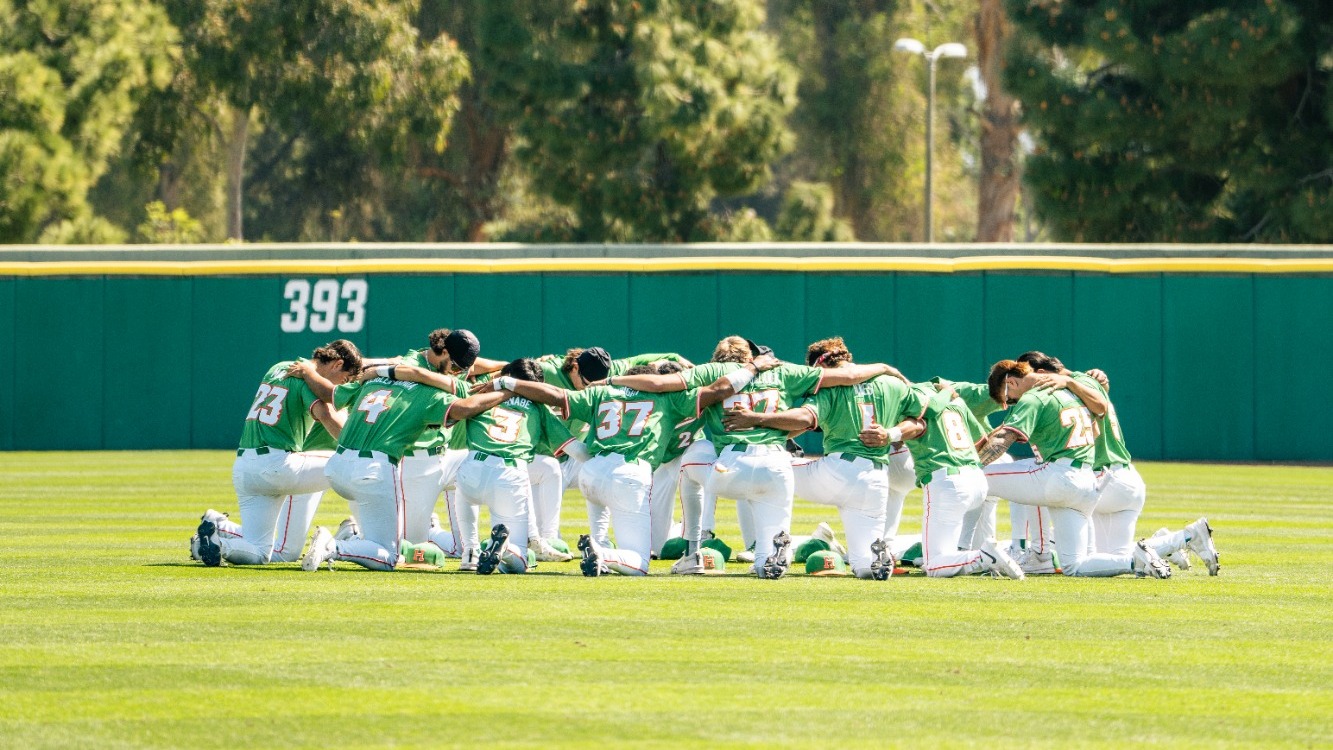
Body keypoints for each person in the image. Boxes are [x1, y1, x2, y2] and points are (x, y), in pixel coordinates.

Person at [612, 336, 898, 578]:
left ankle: (694, 548)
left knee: (692, 457)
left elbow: (660, 384)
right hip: (777, 465)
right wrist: (884, 367)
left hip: (731, 467)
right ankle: (772, 555)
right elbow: (848, 376)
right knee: (765, 555)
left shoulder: (711, 372)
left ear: (718, 358)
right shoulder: (782, 371)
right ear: (750, 356)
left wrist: (612, 379)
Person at [494, 356, 765, 576]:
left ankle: (513, 549)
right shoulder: (666, 397)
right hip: (630, 474)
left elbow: (554, 394)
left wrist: (506, 383)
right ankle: (601, 552)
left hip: (591, 471)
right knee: (638, 562)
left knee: (602, 503)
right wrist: (753, 367)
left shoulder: (601, 392)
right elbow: (720, 390)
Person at [721, 337, 921, 580]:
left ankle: (772, 547)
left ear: (820, 365)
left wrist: (757, 419)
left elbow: (804, 419)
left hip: (837, 471)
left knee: (766, 470)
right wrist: (891, 434)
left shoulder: (830, 386)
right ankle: (875, 560)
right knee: (863, 567)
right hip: (876, 477)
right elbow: (920, 421)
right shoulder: (891, 383)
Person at [1017, 351, 1218, 574]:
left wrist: (1069, 381)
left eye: (1026, 379)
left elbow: (1099, 408)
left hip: (1104, 477)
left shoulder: (1071, 386)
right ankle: (1178, 540)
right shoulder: (1083, 381)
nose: (1025, 388)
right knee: (1113, 560)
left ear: (1043, 373)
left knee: (1037, 485)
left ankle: (1038, 554)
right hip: (1124, 479)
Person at [300, 363, 514, 572]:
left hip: (337, 466)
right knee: (390, 556)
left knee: (388, 537)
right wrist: (507, 393)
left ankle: (354, 534)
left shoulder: (375, 380)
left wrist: (309, 371)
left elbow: (330, 394)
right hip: (372, 470)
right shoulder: (429, 394)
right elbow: (466, 408)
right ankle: (334, 546)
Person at [976, 360, 1171, 578]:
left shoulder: (1033, 396)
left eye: (1010, 398)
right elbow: (1099, 414)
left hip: (1061, 476)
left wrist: (973, 465)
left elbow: (1004, 437)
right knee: (1074, 566)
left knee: (979, 476)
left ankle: (972, 552)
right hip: (1088, 482)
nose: (1013, 403)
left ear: (1011, 382)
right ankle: (1136, 560)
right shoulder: (1072, 393)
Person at [193, 340, 362, 567]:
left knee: (261, 552)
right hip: (277, 464)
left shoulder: (279, 367)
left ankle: (219, 541)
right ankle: (360, 537)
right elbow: (328, 416)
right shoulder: (305, 380)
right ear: (337, 364)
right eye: (345, 379)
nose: (342, 386)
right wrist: (360, 448)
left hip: (245, 468)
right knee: (353, 464)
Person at [863, 384, 1025, 579]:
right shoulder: (957, 402)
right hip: (976, 479)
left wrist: (891, 435)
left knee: (934, 566)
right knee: (950, 550)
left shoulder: (914, 397)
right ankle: (983, 555)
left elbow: (920, 421)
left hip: (947, 482)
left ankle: (983, 557)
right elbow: (982, 442)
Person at [452, 358, 588, 574]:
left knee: (463, 489)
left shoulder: (480, 396)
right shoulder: (539, 408)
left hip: (473, 467)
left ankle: (470, 552)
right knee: (519, 563)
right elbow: (578, 452)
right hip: (508, 475)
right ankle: (503, 548)